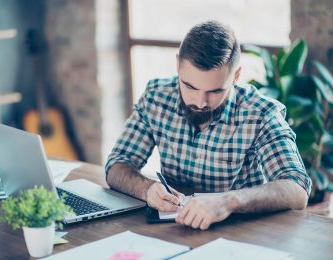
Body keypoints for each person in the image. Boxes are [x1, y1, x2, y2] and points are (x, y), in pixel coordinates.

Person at [105, 20, 312, 230]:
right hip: (173, 231)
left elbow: (297, 188)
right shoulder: (156, 97)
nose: (200, 102)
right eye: (189, 86)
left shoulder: (261, 113)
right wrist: (147, 189)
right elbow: (116, 165)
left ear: (236, 76)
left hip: (240, 235)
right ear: (178, 65)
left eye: (215, 91)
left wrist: (228, 201)